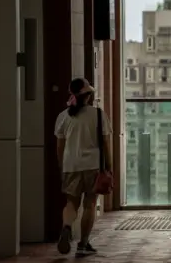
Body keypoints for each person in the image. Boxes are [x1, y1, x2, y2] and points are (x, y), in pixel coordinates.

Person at [54, 78, 113, 257]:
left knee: (71, 203)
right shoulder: (98, 115)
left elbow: (60, 147)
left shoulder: (63, 116)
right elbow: (105, 143)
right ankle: (83, 244)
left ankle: (66, 226)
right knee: (89, 204)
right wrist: (109, 167)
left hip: (70, 165)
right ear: (88, 96)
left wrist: (61, 167)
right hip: (93, 166)